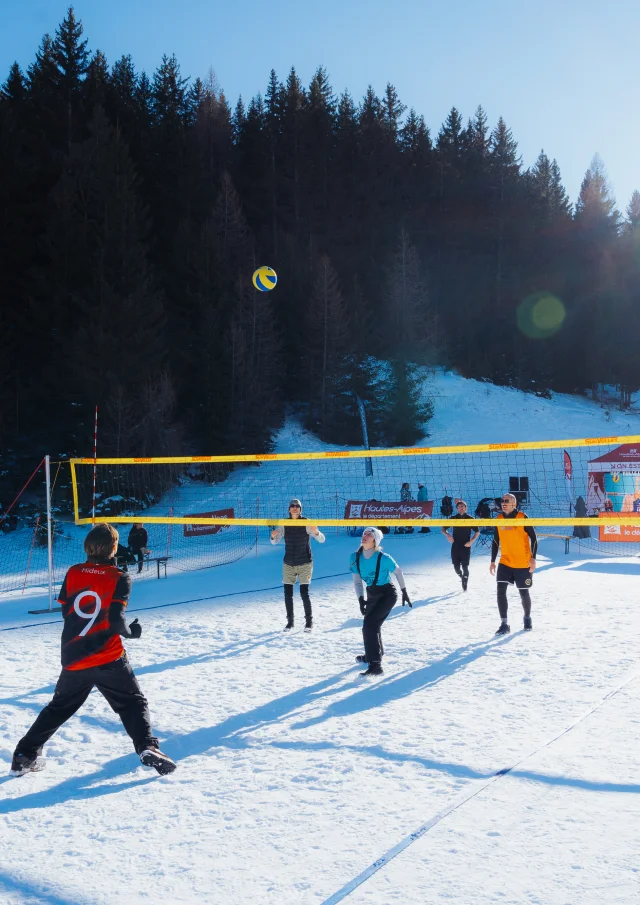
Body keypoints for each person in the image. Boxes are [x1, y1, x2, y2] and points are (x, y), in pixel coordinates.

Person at [11, 523, 176, 777]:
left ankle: (24, 755)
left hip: (74, 656)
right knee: (133, 702)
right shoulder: (119, 576)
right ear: (113, 548)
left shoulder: (74, 572)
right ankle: (147, 746)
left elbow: (68, 612)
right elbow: (116, 621)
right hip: (107, 657)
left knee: (58, 708)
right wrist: (133, 632)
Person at [350, 527, 412, 676]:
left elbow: (398, 571)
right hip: (372, 593)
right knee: (370, 625)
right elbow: (357, 581)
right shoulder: (355, 557)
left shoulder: (383, 558)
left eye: (369, 534)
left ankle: (376, 666)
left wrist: (404, 591)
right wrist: (360, 598)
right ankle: (372, 655)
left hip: (387, 594)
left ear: (375, 540)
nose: (365, 535)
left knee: (370, 625)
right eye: (364, 533)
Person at [270, 499, 325, 631]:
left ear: (300, 509)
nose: (295, 508)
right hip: (288, 563)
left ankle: (309, 622)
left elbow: (322, 540)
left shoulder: (307, 522)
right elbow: (274, 542)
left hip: (305, 562)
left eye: (297, 506)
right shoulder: (284, 523)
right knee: (287, 594)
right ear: (289, 509)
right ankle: (290, 622)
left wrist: (317, 533)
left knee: (304, 593)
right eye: (292, 506)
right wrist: (273, 536)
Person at [489, 493, 537, 635]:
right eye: (502, 501)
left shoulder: (522, 517)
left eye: (507, 501)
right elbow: (496, 541)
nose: (503, 503)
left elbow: (534, 539)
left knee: (524, 593)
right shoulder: (499, 519)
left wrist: (533, 558)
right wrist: (492, 561)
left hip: (523, 562)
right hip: (505, 561)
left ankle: (527, 617)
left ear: (514, 504)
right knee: (500, 590)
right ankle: (504, 624)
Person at [441, 500, 479, 591]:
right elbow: (443, 529)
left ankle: (464, 586)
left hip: (466, 546)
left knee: (465, 567)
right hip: (455, 546)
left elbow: (477, 532)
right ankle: (462, 577)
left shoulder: (470, 519)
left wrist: (471, 541)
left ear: (466, 508)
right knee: (456, 568)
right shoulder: (453, 518)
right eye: (459, 507)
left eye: (463, 507)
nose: (461, 508)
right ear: (457, 509)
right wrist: (448, 535)